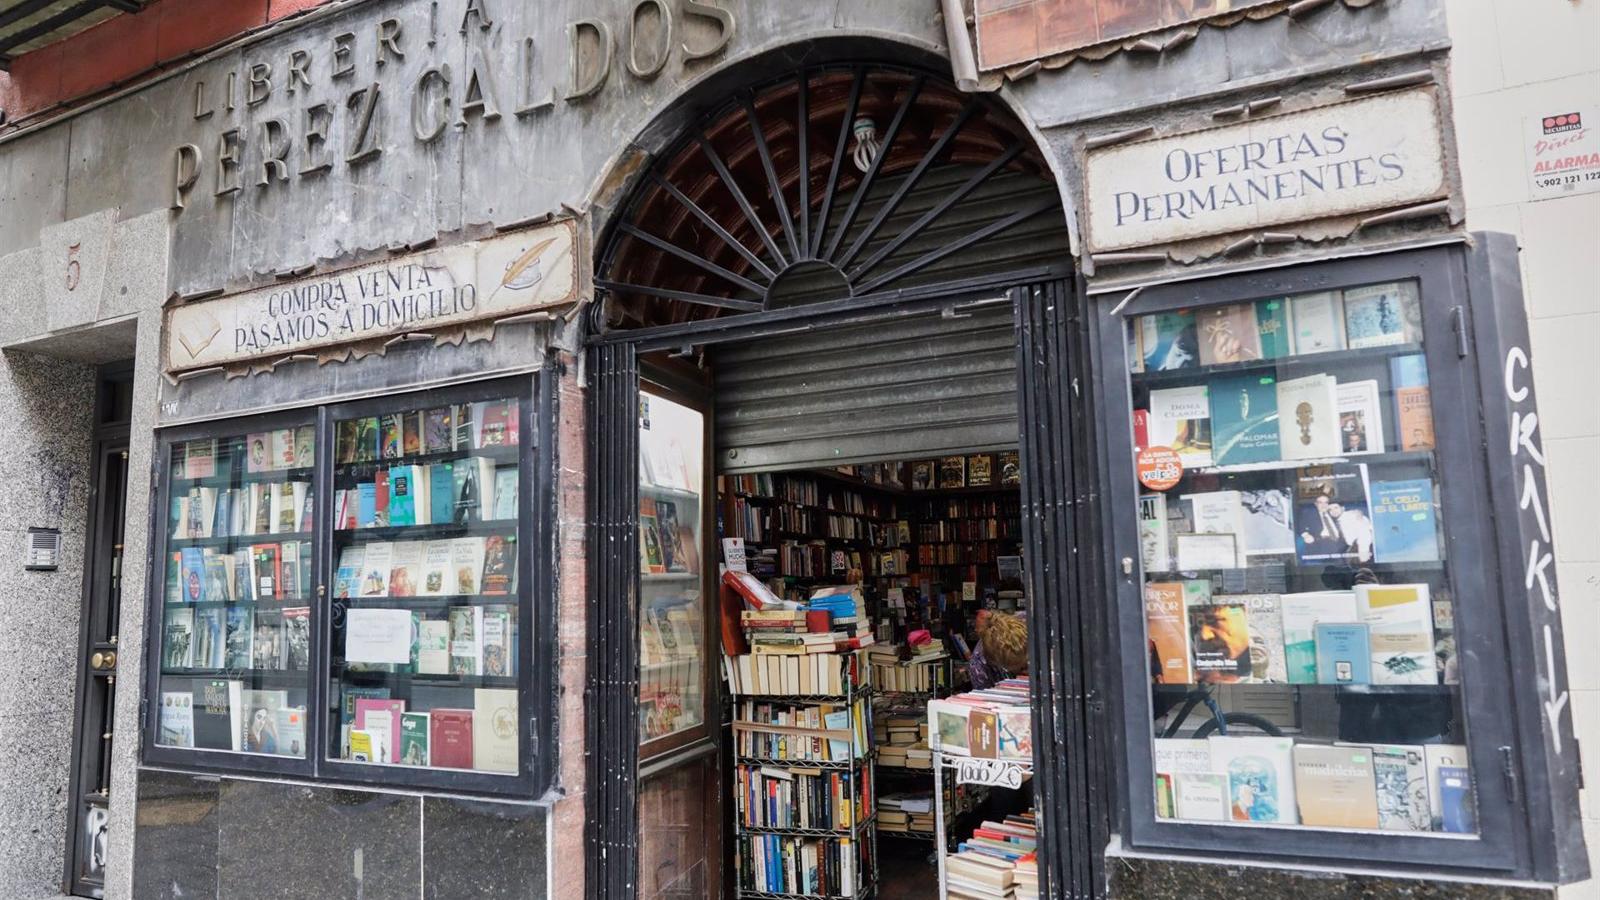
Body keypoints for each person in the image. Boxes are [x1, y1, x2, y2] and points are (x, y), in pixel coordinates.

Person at [969, 610, 1027, 690]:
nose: (1027, 670)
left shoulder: (1031, 619)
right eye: (1021, 668)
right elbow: (985, 696)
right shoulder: (978, 667)